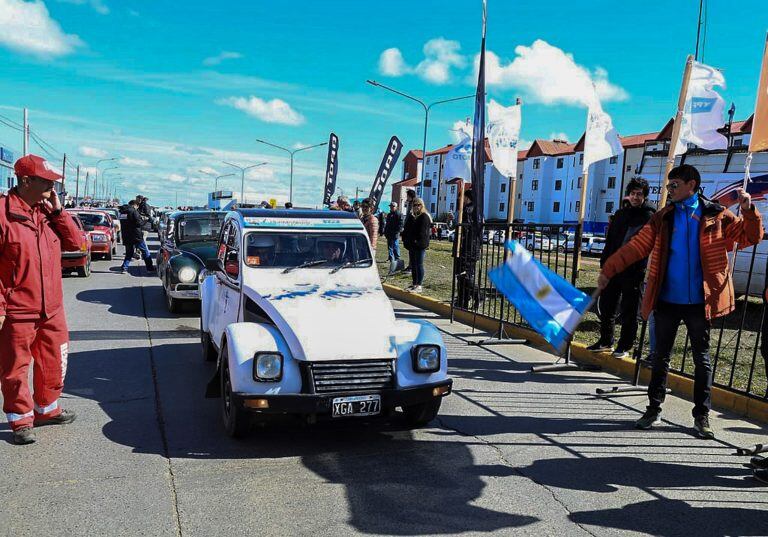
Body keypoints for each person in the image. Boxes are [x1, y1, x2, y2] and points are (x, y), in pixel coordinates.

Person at [598, 164, 762, 438]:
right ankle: (653, 409)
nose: (669, 191)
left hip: (701, 302)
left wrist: (747, 210)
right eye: (668, 186)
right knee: (660, 357)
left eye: (674, 185)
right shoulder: (663, 217)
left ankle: (702, 416)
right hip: (666, 301)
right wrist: (608, 270)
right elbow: (636, 247)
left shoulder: (716, 214)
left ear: (692, 184)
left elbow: (750, 236)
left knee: (702, 360)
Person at [0, 155, 84, 445]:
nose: (53, 188)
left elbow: (76, 245)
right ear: (26, 181)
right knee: (15, 369)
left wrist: (60, 212)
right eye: (47, 182)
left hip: (52, 309)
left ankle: (47, 409)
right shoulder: (3, 214)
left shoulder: (48, 213)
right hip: (18, 310)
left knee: (53, 362)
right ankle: (21, 420)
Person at [588, 177, 656, 358]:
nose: (635, 197)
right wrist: (605, 264)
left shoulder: (650, 216)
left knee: (630, 309)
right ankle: (605, 340)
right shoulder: (620, 214)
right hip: (613, 269)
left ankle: (625, 345)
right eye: (632, 194)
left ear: (645, 196)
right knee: (607, 305)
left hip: (633, 271)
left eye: (639, 194)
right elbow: (611, 242)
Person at [455, 190, 481, 308]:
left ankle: (478, 295)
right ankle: (462, 301)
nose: (460, 199)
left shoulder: (468, 211)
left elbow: (465, 230)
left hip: (467, 247)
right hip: (472, 247)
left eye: (462, 197)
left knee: (463, 274)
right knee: (462, 275)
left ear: (467, 197)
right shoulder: (476, 210)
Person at [401, 197, 431, 293]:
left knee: (419, 264)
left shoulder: (424, 217)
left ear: (422, 206)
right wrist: (406, 240)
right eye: (414, 205)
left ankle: (419, 285)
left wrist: (417, 242)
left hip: (419, 245)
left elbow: (423, 233)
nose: (416, 207)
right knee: (413, 265)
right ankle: (414, 284)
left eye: (418, 205)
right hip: (411, 245)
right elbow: (406, 229)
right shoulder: (412, 216)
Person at [120, 199, 155, 274]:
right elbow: (139, 223)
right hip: (136, 235)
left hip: (126, 235)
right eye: (137, 206)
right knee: (145, 251)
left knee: (129, 253)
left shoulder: (122, 213)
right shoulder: (133, 211)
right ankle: (150, 268)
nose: (137, 208)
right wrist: (146, 220)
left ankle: (124, 268)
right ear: (134, 205)